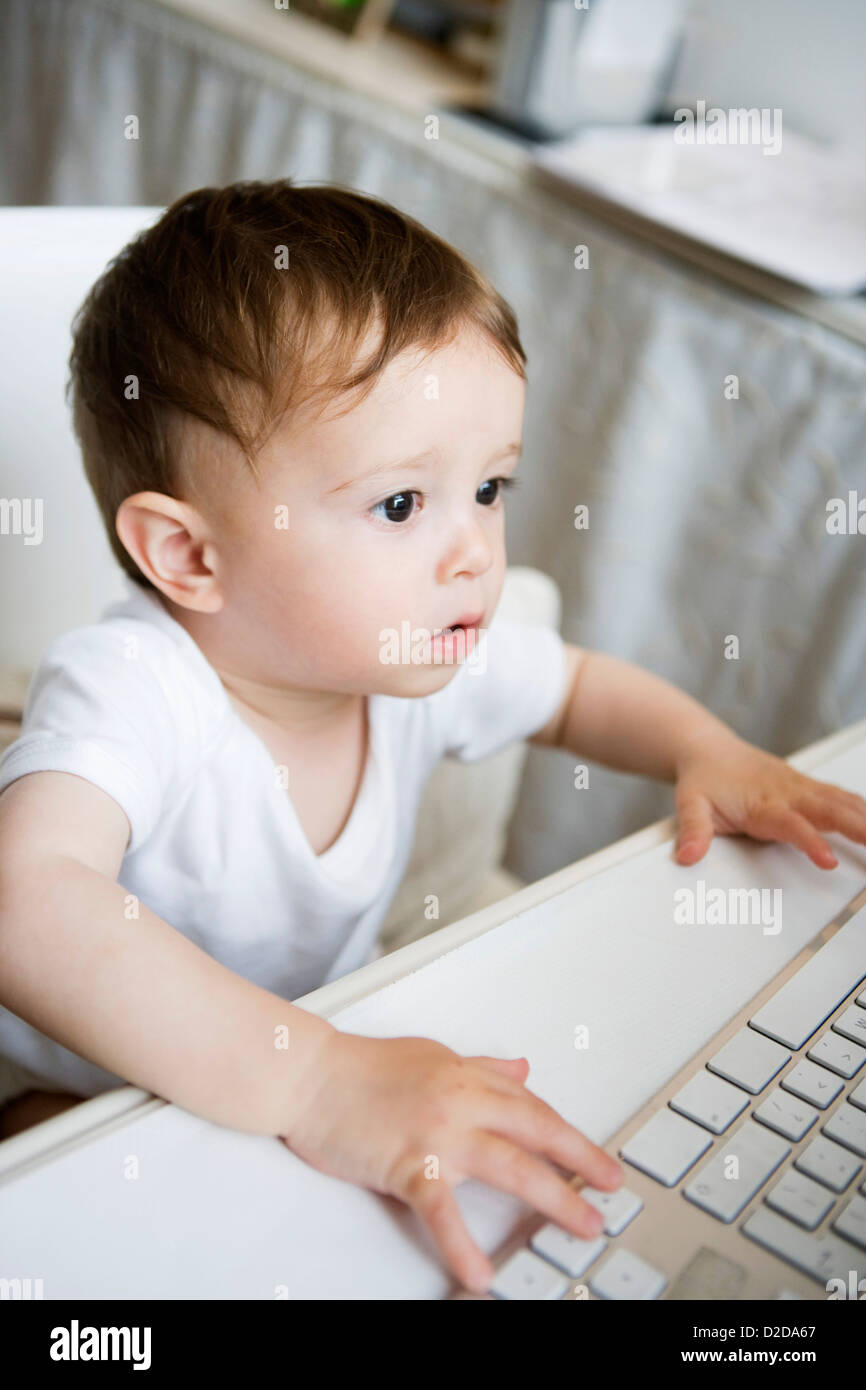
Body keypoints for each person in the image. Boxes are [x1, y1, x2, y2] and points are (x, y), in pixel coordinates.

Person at [1, 181, 864, 1296]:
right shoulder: (134, 685)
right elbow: (25, 895)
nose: (472, 552)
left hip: (301, 1058)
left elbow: (572, 689)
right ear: (190, 560)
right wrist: (314, 1082)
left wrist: (710, 751)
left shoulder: (409, 650)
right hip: (77, 1089)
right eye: (402, 505)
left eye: (490, 487)